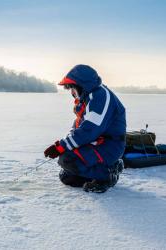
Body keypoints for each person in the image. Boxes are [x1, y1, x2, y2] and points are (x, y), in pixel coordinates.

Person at [44, 65, 126, 193]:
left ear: (82, 85)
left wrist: (61, 147)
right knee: (67, 177)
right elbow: (78, 127)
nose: (72, 93)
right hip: (95, 143)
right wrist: (62, 144)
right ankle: (102, 170)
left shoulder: (100, 97)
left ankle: (107, 174)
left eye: (73, 89)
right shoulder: (88, 98)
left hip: (109, 145)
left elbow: (89, 131)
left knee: (67, 159)